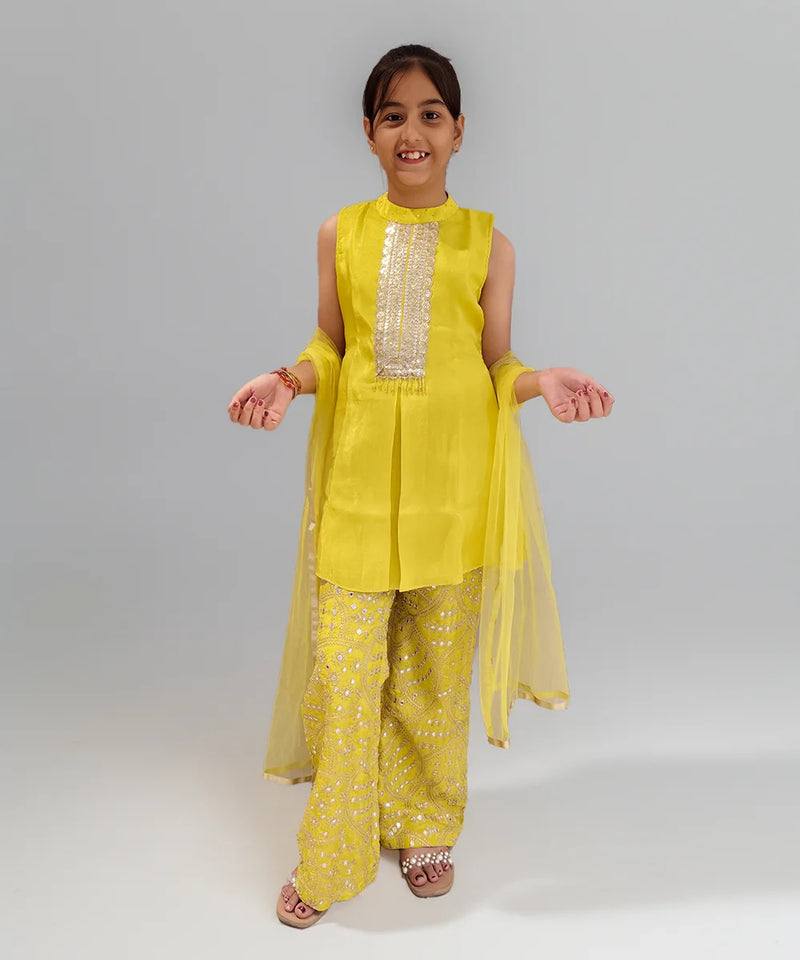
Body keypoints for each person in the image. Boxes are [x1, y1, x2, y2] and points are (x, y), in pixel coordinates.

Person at [227, 43, 614, 928]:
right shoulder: (342, 232)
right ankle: (332, 855)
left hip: (452, 492)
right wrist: (286, 381)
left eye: (430, 113)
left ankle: (427, 823)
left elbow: (495, 361)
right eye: (394, 115)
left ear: (459, 130)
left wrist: (541, 380)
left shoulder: (490, 243)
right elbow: (331, 345)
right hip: (360, 489)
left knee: (434, 677)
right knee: (351, 674)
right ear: (368, 133)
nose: (413, 131)